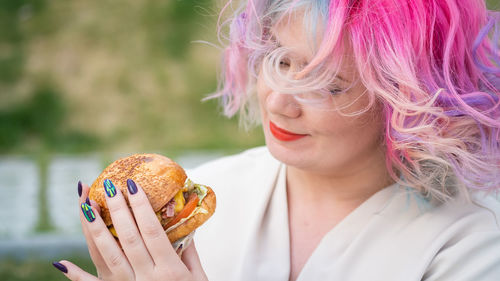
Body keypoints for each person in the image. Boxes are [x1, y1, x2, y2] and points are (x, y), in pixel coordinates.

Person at [52, 0, 500, 280]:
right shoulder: (199, 202)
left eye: (328, 84)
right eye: (281, 62)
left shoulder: (474, 248)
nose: (280, 102)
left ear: (409, 100)